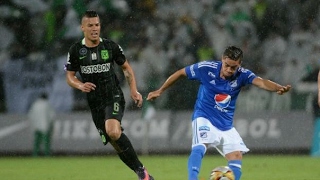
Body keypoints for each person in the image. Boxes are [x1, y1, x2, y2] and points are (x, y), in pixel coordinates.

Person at [147, 46, 291, 180]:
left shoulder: (243, 75)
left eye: (233, 67)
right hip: (204, 117)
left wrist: (278, 87)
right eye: (226, 65)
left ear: (239, 64)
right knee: (200, 146)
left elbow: (262, 82)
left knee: (236, 155)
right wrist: (160, 90)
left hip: (225, 124)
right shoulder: (205, 68)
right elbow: (180, 73)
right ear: (222, 59)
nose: (229, 69)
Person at [65, 10, 154, 180]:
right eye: (90, 25)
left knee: (113, 131)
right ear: (82, 27)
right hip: (95, 103)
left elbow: (127, 69)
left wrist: (134, 90)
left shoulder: (110, 46)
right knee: (116, 143)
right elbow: (70, 76)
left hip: (113, 96)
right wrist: (80, 84)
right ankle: (142, 172)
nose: (94, 28)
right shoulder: (76, 50)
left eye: (97, 25)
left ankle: (141, 171)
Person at [28, 92, 55, 156]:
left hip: (36, 126)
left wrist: (33, 124)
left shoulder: (35, 104)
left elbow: (30, 115)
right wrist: (51, 125)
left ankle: (35, 154)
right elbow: (52, 116)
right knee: (46, 142)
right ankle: (47, 154)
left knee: (36, 142)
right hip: (45, 126)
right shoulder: (47, 104)